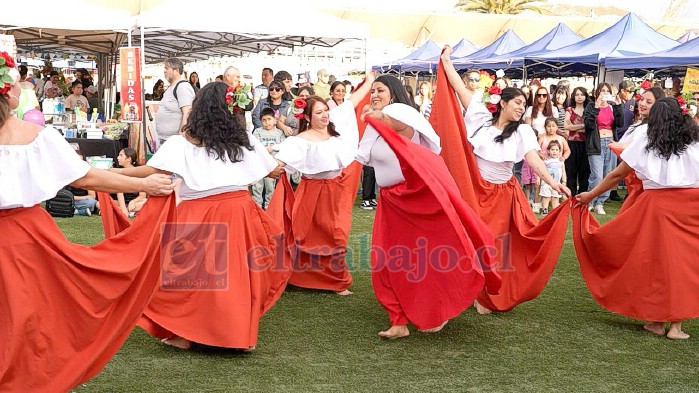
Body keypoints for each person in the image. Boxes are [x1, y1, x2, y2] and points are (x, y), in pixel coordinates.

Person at [0, 51, 176, 392]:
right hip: (26, 241)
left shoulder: (34, 136)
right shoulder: (34, 136)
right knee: (27, 323)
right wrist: (142, 184)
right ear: (9, 91)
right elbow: (87, 178)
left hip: (26, 239)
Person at [113, 81, 290, 351]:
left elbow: (151, 171)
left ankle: (186, 333)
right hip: (238, 209)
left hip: (198, 211)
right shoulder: (243, 140)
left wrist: (113, 174)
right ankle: (238, 335)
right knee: (237, 275)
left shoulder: (181, 143)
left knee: (190, 276)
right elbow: (271, 169)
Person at [357, 74, 501, 338]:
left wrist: (378, 117)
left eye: (380, 90)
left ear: (394, 93)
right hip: (390, 202)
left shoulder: (398, 112)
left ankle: (443, 304)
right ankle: (398, 321)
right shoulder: (374, 121)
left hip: (418, 198)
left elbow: (396, 123)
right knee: (387, 260)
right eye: (372, 91)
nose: (375, 95)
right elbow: (364, 156)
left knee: (431, 256)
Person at [439, 46, 571, 314]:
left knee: (494, 246)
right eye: (518, 102)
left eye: (525, 104)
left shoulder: (522, 131)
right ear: (503, 103)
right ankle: (463, 288)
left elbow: (533, 159)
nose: (522, 108)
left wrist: (552, 181)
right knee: (465, 241)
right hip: (473, 191)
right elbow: (459, 89)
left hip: (501, 194)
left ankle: (485, 294)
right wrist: (446, 61)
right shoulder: (479, 119)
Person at [574, 97, 699, 340]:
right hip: (692, 207)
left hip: (657, 207)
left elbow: (616, 175)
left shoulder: (645, 138)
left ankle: (656, 321)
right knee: (684, 265)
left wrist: (590, 195)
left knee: (656, 264)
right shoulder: (695, 139)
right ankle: (676, 326)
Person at [271, 73, 373, 295]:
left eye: (326, 110)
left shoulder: (335, 128)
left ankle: (335, 279)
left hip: (336, 188)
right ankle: (302, 277)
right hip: (313, 191)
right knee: (310, 233)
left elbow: (351, 103)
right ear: (307, 117)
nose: (325, 115)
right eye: (319, 113)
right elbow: (279, 164)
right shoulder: (300, 140)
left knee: (336, 234)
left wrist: (370, 81)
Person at [584, 83, 623, 215]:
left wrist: (618, 106)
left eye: (607, 91)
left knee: (608, 175)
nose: (605, 93)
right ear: (597, 92)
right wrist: (596, 107)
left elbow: (620, 123)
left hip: (610, 142)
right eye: (602, 91)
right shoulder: (590, 106)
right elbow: (588, 125)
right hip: (596, 143)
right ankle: (590, 200)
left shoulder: (612, 107)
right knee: (597, 175)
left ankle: (600, 203)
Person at [252, 107, 286, 209]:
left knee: (270, 187)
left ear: (275, 120)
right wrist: (267, 149)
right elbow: (254, 146)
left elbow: (282, 147)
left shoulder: (279, 133)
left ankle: (268, 207)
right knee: (257, 187)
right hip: (259, 165)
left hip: (272, 165)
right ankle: (257, 207)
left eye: (269, 119)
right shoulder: (258, 131)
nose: (267, 123)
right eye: (264, 120)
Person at [156, 58, 195, 144]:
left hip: (175, 141)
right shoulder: (171, 87)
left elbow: (188, 113)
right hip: (166, 140)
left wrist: (180, 138)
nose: (164, 71)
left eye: (167, 68)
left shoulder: (182, 87)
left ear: (176, 71)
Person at [563, 87, 591, 196]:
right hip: (572, 143)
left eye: (582, 94)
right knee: (571, 170)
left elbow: (590, 127)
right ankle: (571, 195)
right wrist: (583, 125)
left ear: (585, 96)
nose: (579, 97)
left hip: (586, 143)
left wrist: (574, 126)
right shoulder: (569, 110)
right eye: (577, 94)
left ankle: (583, 194)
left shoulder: (589, 109)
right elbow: (566, 126)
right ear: (574, 96)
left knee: (585, 171)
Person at [539, 140, 566, 215]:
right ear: (548, 151)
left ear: (560, 151)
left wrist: (564, 182)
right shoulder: (546, 161)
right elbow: (541, 171)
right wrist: (539, 180)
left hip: (557, 183)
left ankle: (555, 212)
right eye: (552, 149)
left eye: (556, 150)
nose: (554, 151)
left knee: (555, 197)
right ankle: (544, 210)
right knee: (546, 197)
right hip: (546, 183)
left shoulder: (561, 161)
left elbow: (563, 172)